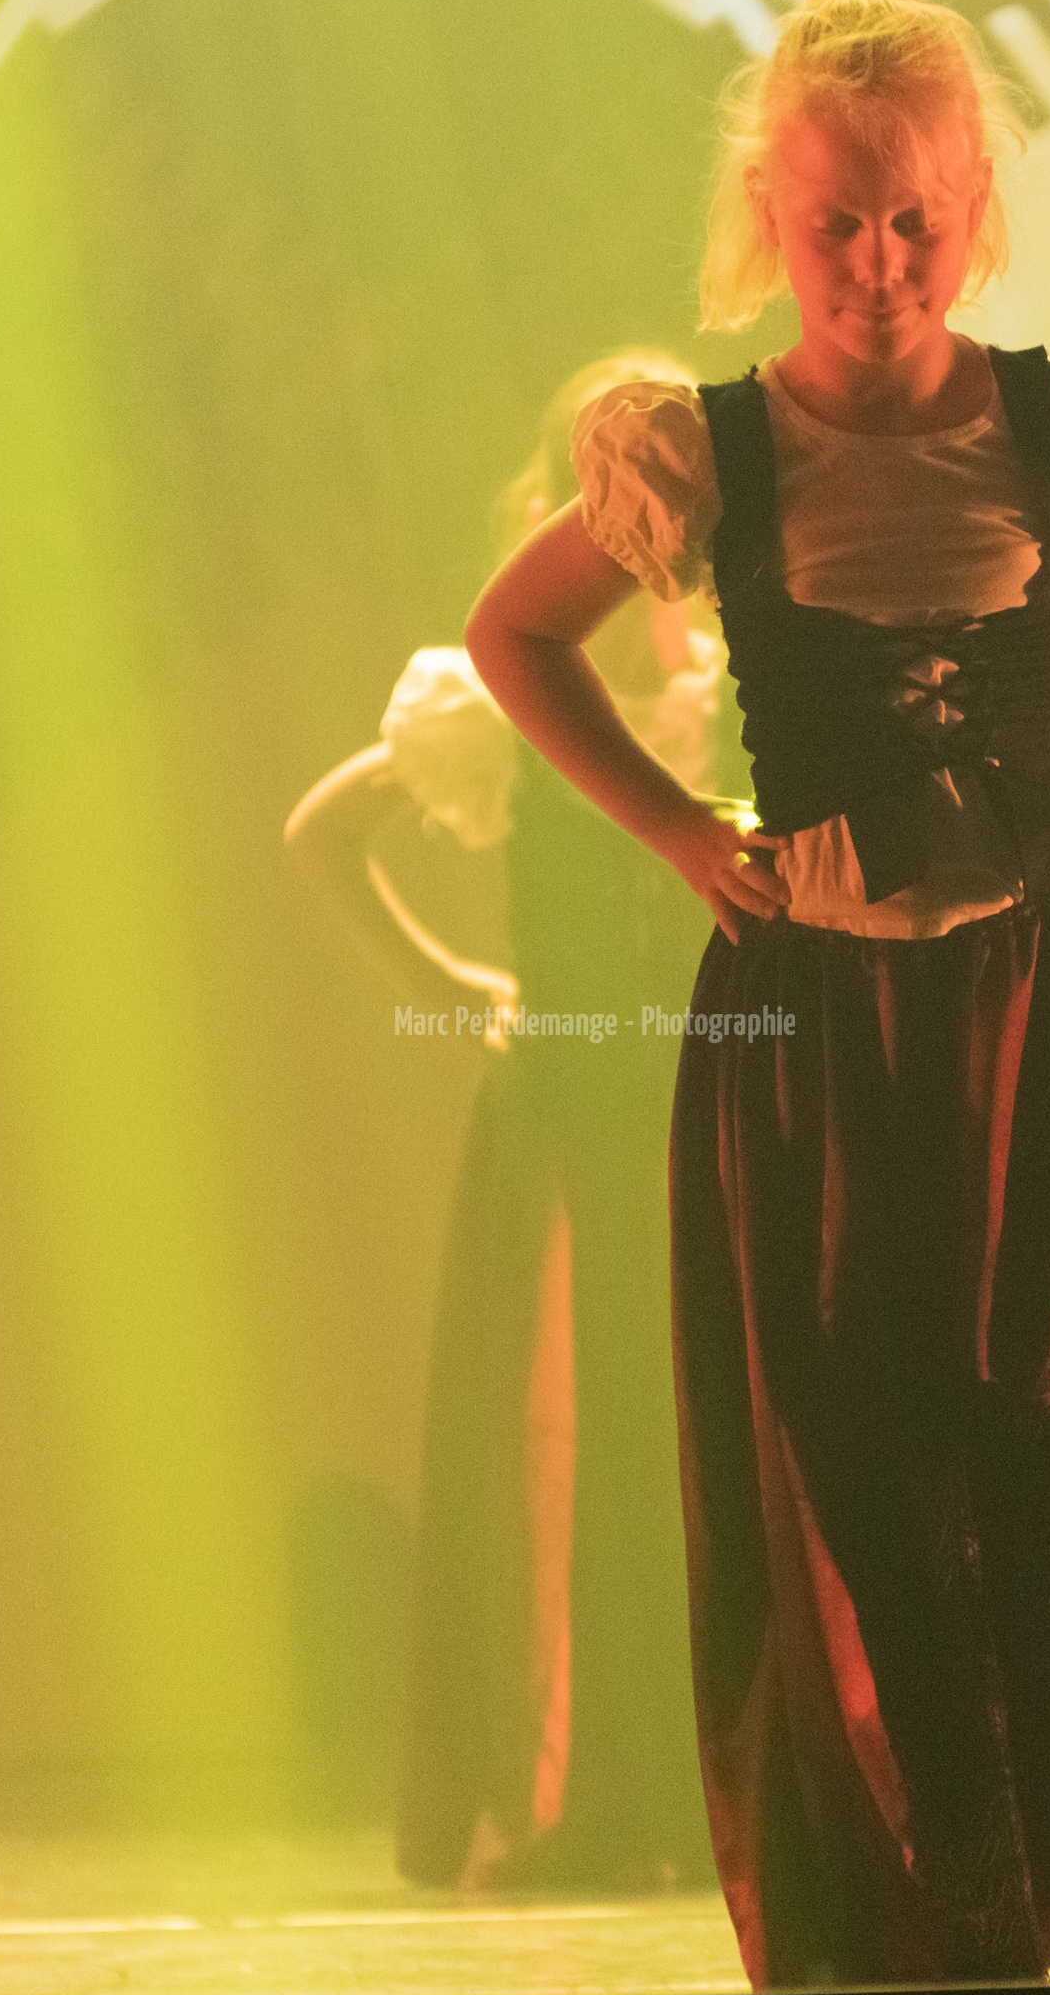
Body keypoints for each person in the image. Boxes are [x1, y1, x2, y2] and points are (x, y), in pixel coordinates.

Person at [464, 0, 1050, 1987]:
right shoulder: (710, 452)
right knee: (848, 1443)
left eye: (912, 218)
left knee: (1040, 1432)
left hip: (1040, 1012)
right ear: (769, 215)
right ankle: (900, 1909)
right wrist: (677, 828)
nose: (875, 261)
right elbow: (514, 634)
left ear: (974, 206)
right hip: (820, 1023)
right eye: (834, 222)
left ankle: (1013, 1901)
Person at [287, 352, 729, 1894]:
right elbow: (327, 832)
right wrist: (453, 981)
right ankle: (581, 1789)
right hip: (577, 1113)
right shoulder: (506, 684)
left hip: (721, 1097)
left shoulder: (742, 670)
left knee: (712, 1452)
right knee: (578, 1448)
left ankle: (713, 1790)